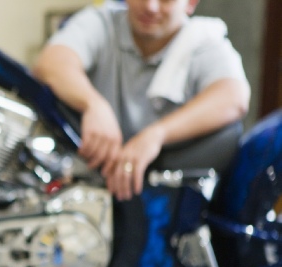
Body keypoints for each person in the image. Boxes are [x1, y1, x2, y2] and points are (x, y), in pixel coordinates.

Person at [33, 0, 250, 201]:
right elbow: (51, 62)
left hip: (163, 199)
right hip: (84, 188)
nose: (150, 7)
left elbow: (233, 96)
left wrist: (155, 135)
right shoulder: (100, 22)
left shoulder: (203, 40)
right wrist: (93, 104)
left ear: (190, 3)